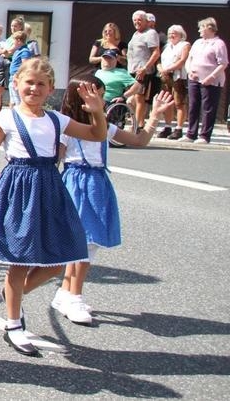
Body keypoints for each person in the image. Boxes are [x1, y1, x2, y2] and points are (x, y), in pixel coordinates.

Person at [0, 58, 108, 357]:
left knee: (58, 260)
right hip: (19, 189)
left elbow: (97, 135)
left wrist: (97, 111)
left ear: (51, 88)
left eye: (41, 84)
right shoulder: (6, 118)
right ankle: (13, 325)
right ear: (16, 84)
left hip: (50, 187)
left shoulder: (57, 120)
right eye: (29, 82)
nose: (34, 88)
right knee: (20, 261)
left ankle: (13, 293)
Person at [56, 81, 173, 326]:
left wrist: (154, 115)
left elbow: (139, 140)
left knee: (88, 241)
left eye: (101, 95)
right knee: (84, 243)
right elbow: (55, 158)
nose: (102, 100)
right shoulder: (68, 128)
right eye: (97, 95)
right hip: (76, 182)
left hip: (97, 184)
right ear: (81, 99)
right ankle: (74, 297)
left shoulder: (105, 127)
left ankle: (66, 293)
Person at [183, 17, 228, 143]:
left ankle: (204, 136)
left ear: (209, 28)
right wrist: (189, 71)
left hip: (211, 81)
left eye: (201, 28)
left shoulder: (218, 44)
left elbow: (223, 63)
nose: (199, 30)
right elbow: (189, 59)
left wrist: (211, 77)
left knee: (208, 108)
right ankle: (191, 134)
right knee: (193, 106)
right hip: (194, 79)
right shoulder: (197, 42)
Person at [127, 10, 161, 129]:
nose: (137, 22)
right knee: (132, 98)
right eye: (135, 20)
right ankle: (137, 122)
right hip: (132, 69)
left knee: (139, 97)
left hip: (142, 71)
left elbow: (156, 52)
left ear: (146, 21)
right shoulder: (136, 34)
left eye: (140, 20)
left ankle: (137, 125)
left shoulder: (150, 33)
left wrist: (145, 68)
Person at [157, 25, 191, 139]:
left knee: (179, 103)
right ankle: (167, 127)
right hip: (165, 77)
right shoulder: (166, 46)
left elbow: (182, 60)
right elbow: (159, 61)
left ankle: (179, 128)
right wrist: (161, 69)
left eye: (174, 33)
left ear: (181, 35)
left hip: (178, 77)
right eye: (170, 33)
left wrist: (167, 69)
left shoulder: (185, 45)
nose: (171, 35)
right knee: (167, 102)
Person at [6, 32, 32, 106]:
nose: (13, 43)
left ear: (19, 41)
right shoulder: (18, 50)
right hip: (12, 77)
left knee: (18, 100)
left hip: (17, 78)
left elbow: (25, 66)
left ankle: (18, 113)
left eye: (14, 40)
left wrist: (18, 75)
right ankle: (13, 112)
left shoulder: (25, 51)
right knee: (13, 100)